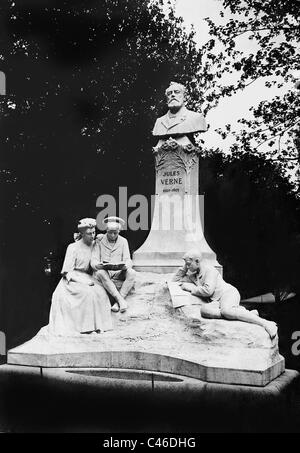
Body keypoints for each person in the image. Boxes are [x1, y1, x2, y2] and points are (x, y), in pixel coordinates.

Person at [172, 250, 278, 339]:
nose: (187, 266)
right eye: (186, 264)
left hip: (227, 294)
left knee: (226, 311)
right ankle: (243, 313)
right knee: (204, 310)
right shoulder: (193, 276)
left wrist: (192, 289)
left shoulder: (209, 270)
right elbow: (175, 280)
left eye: (189, 264)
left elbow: (208, 291)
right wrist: (184, 268)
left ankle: (266, 323)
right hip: (216, 301)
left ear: (197, 261)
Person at [48, 218, 113, 336]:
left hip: (88, 276)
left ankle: (99, 326)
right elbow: (67, 271)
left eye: (94, 232)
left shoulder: (95, 245)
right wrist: (83, 281)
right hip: (73, 278)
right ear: (82, 234)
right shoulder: (73, 247)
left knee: (100, 292)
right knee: (87, 293)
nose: (92, 236)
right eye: (89, 233)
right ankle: (86, 328)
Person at [91, 217, 136, 313]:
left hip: (119, 271)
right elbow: (93, 260)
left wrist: (126, 266)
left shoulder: (123, 241)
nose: (112, 235)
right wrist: (97, 265)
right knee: (101, 273)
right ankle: (120, 300)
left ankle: (117, 302)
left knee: (131, 273)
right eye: (110, 232)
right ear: (106, 230)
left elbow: (128, 259)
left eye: (115, 233)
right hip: (105, 272)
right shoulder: (99, 240)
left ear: (119, 231)